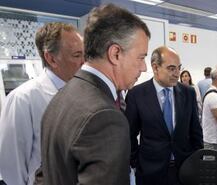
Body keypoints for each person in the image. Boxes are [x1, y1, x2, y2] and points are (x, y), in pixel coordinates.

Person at [38, 4, 150, 185]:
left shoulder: (61, 96)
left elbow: (44, 175)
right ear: (115, 54)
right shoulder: (105, 117)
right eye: (141, 57)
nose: (144, 67)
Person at [0, 22, 84, 185]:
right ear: (51, 58)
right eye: (76, 55)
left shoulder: (81, 92)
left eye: (84, 55)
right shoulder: (24, 98)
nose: (84, 62)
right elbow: (12, 163)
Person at [125, 46, 203, 185]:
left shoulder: (188, 93)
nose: (177, 73)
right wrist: (136, 162)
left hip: (183, 170)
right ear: (155, 68)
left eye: (179, 68)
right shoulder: (136, 95)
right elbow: (129, 135)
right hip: (150, 172)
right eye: (171, 68)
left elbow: (195, 131)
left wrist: (195, 160)